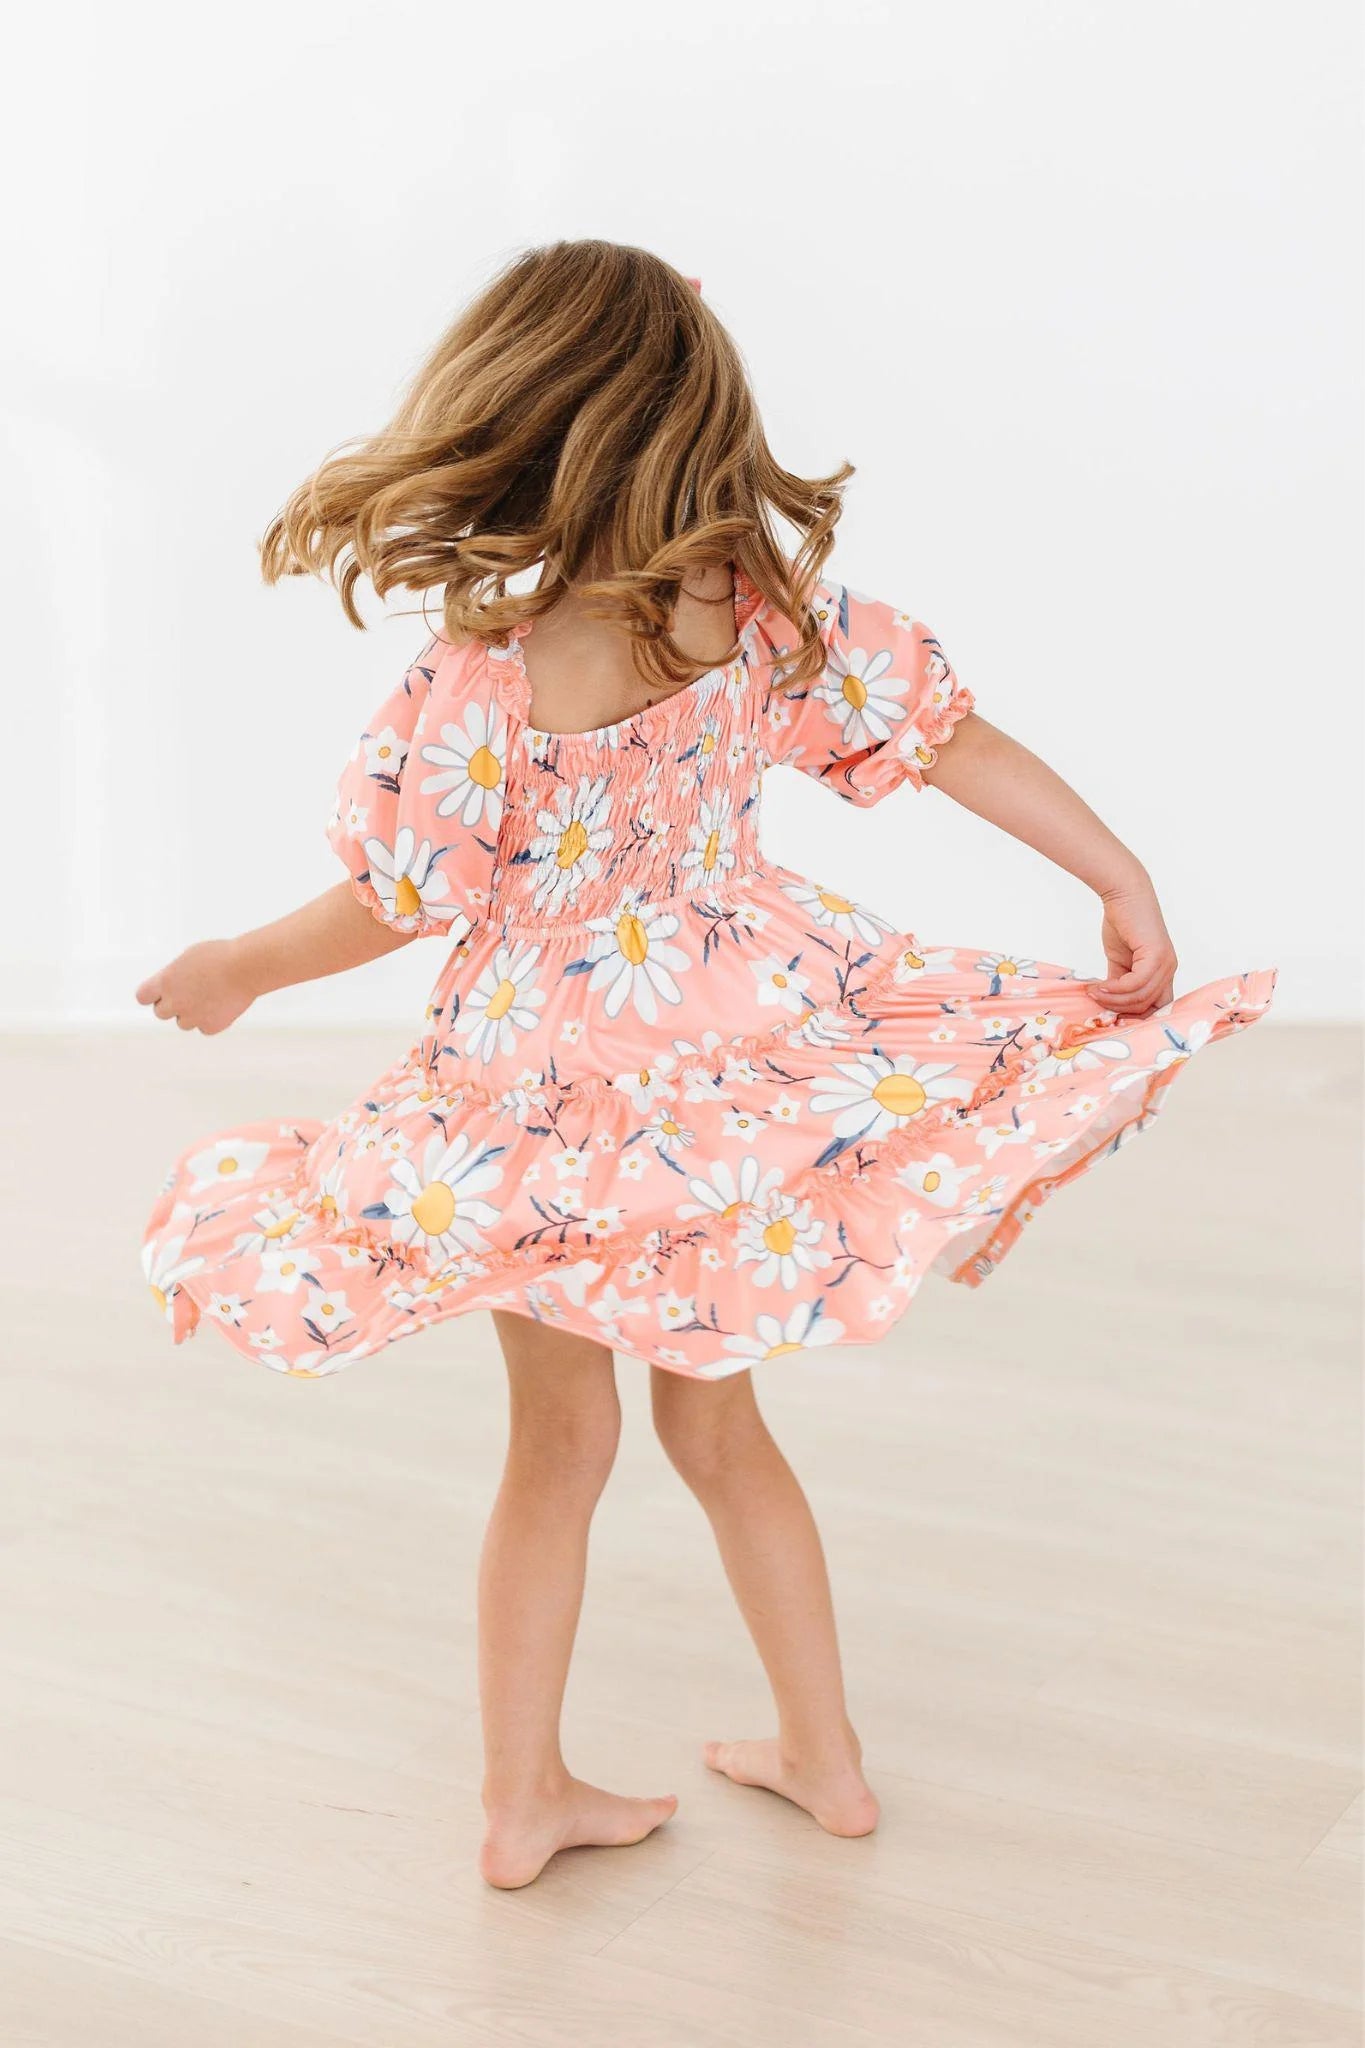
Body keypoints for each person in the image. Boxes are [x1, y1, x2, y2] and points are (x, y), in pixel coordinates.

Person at [137, 239, 1275, 1889]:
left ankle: (524, 1798)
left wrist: (237, 967)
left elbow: (398, 900)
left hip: (543, 1097)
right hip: (730, 1074)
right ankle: (827, 1762)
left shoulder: (488, 670)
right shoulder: (747, 612)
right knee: (721, 1437)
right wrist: (1111, 871)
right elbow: (943, 742)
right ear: (692, 421)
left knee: (556, 1451)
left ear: (514, 420)